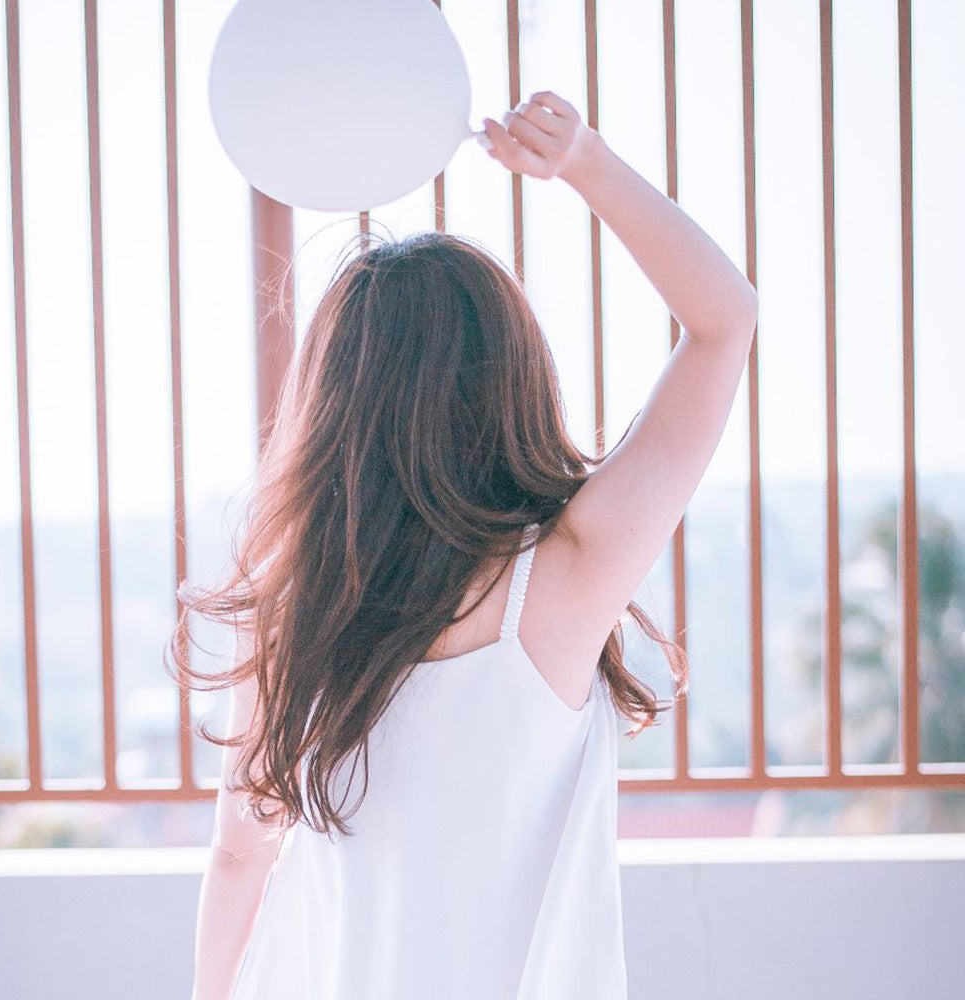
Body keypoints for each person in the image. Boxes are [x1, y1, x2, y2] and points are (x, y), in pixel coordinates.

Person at [176, 89, 758, 1000]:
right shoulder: (564, 577)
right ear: (511, 379)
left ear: (334, 407)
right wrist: (584, 162)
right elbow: (725, 322)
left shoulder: (291, 606)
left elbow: (240, 857)